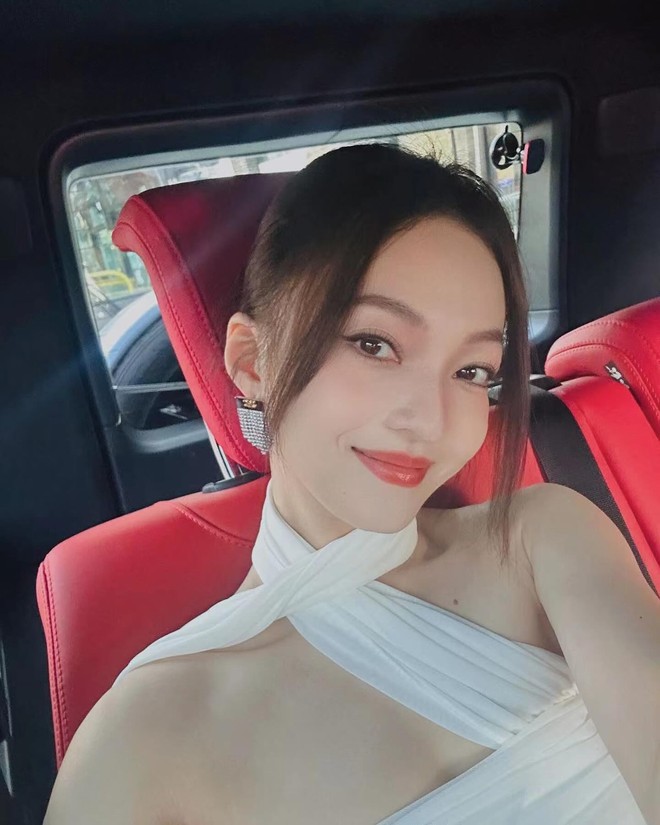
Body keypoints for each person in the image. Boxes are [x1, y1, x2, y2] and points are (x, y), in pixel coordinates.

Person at [44, 144, 657, 824]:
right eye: (375, 344)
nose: (430, 421)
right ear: (253, 362)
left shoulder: (545, 541)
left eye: (472, 371)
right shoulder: (141, 741)